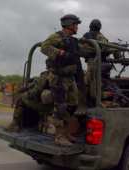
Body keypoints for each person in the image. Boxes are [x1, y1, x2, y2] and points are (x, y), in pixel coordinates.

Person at [40, 14, 82, 146]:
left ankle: (65, 132)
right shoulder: (57, 36)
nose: (77, 27)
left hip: (69, 78)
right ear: (70, 25)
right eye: (76, 24)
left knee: (73, 104)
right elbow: (44, 47)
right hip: (58, 77)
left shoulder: (73, 40)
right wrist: (60, 53)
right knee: (60, 106)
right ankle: (59, 136)